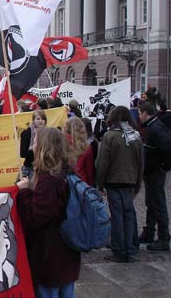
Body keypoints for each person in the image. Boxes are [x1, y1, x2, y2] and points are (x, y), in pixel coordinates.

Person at [17, 127, 81, 298]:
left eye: (35, 141)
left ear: (44, 147)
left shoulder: (48, 179)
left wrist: (26, 192)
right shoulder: (67, 171)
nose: (32, 145)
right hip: (67, 250)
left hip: (50, 253)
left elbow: (37, 217)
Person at [95, 106, 143, 262]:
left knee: (117, 215)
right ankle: (129, 247)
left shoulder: (109, 136)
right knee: (128, 215)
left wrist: (99, 183)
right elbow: (141, 162)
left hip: (114, 181)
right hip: (130, 180)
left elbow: (103, 163)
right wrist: (137, 183)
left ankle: (119, 249)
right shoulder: (135, 135)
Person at [138, 101, 171, 251]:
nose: (139, 116)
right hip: (151, 171)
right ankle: (149, 231)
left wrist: (164, 167)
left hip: (156, 171)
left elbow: (168, 148)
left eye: (140, 113)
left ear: (146, 113)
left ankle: (163, 237)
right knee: (151, 203)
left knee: (158, 204)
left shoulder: (156, 128)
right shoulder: (153, 126)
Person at [65, 117, 95, 186]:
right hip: (81, 183)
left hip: (64, 182)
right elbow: (89, 171)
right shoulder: (86, 147)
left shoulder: (61, 143)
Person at [19, 110, 47, 180]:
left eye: (43, 119)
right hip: (30, 167)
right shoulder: (27, 133)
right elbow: (23, 153)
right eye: (38, 119)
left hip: (45, 167)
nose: (41, 121)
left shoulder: (48, 133)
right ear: (33, 121)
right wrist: (34, 149)